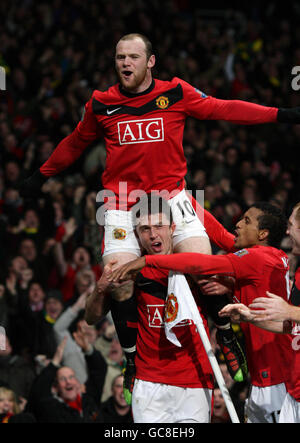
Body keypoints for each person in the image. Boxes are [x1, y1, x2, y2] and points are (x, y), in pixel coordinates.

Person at [20, 32, 300, 381]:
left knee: (206, 267)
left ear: (150, 61)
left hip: (171, 195)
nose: (125, 63)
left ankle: (226, 335)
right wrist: (40, 175)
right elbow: (76, 142)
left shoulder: (175, 93)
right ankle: (132, 357)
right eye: (120, 57)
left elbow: (223, 108)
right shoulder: (101, 103)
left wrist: (281, 114)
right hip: (120, 200)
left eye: (133, 57)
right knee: (117, 281)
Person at [110, 201, 293, 423]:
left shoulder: (259, 258)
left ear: (263, 234)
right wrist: (182, 197)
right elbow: (219, 234)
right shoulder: (261, 255)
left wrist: (147, 260)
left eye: (246, 221)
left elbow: (202, 263)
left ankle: (226, 336)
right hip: (263, 372)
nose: (237, 224)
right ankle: (227, 338)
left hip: (276, 374)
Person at [86, 195, 214, 423]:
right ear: (136, 235)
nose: (153, 234)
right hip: (149, 382)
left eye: (159, 226)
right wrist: (100, 290)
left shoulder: (193, 267)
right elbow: (91, 318)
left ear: (173, 228)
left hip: (195, 380)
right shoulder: (132, 275)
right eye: (145, 229)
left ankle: (228, 338)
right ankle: (130, 363)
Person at [222, 201, 300, 423]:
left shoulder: (266, 258)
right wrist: (251, 317)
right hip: (287, 385)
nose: (286, 232)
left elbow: (291, 318)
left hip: (282, 382)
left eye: (292, 225)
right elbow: (289, 327)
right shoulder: (296, 270)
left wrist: (290, 311)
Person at [26, 332, 107, 423]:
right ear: (56, 387)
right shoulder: (51, 408)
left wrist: (88, 350)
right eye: (62, 379)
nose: (68, 382)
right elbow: (37, 392)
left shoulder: (89, 399)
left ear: (78, 382)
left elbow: (99, 371)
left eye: (71, 377)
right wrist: (54, 363)